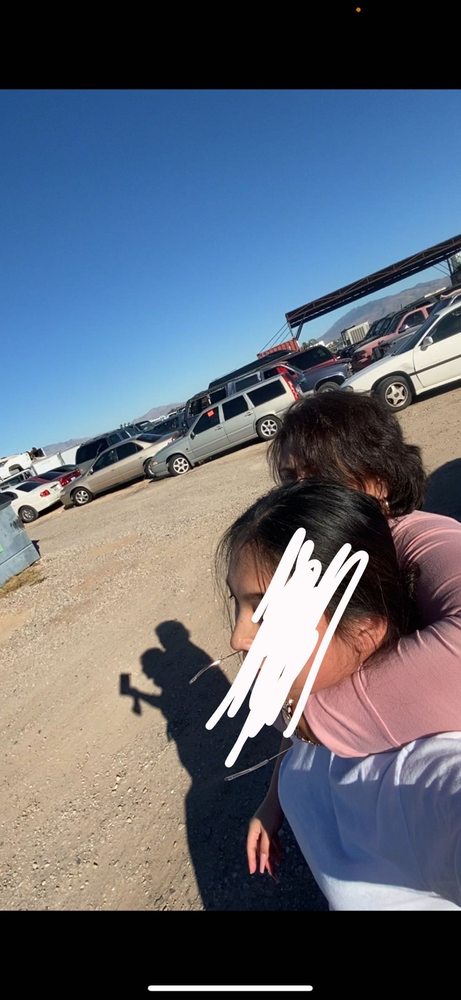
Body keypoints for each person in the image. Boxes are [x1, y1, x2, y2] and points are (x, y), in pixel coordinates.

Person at [219, 480, 461, 910]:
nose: (238, 638)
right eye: (237, 601)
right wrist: (272, 804)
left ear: (365, 630)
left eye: (267, 611)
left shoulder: (419, 777)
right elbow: (297, 735)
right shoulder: (311, 696)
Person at [267, 391, 461, 755]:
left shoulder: (421, 537)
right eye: (290, 478)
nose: (300, 495)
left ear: (379, 482)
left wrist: (309, 718)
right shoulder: (327, 557)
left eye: (322, 476)